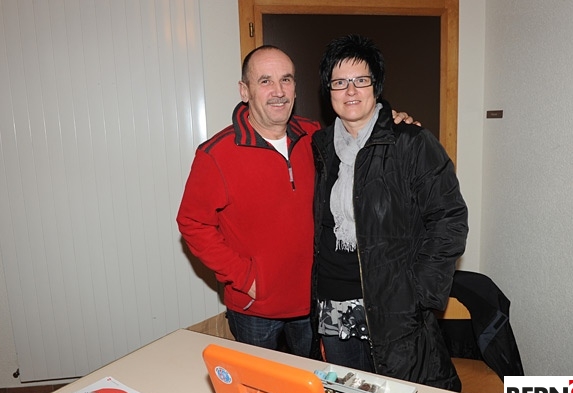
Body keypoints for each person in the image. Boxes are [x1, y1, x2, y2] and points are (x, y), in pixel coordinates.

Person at [177, 45, 415, 357]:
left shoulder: (316, 137)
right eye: (265, 81)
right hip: (256, 307)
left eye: (286, 80)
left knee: (312, 378)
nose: (278, 91)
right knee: (259, 382)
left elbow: (361, 136)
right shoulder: (216, 154)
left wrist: (392, 121)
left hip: (313, 300)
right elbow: (192, 223)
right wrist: (244, 276)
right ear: (244, 91)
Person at [310, 34, 469, 391]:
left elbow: (449, 218)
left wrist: (420, 294)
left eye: (361, 80)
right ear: (328, 91)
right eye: (339, 82)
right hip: (333, 303)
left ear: (376, 86)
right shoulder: (320, 147)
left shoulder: (410, 142)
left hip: (393, 307)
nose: (351, 90)